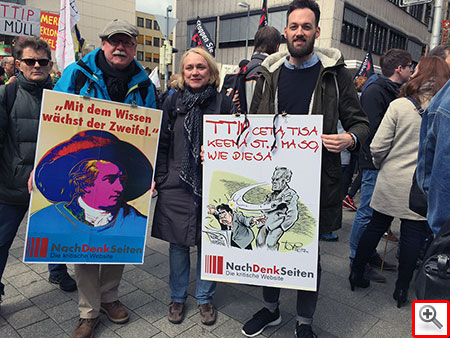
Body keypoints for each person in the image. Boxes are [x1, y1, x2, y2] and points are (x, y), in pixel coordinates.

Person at [242, 1, 369, 337]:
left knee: (306, 256)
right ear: (285, 31)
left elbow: (361, 124)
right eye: (294, 26)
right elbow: (252, 127)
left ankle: (304, 321)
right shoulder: (269, 74)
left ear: (316, 30)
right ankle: (270, 310)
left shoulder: (335, 75)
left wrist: (349, 140)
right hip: (272, 175)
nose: (300, 32)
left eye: (306, 26)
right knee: (268, 250)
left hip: (316, 181)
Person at [53, 19, 157, 338]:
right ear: (103, 44)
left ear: (134, 47)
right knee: (82, 242)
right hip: (87, 172)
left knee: (117, 238)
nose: (120, 47)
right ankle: (88, 311)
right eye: (114, 42)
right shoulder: (77, 73)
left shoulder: (145, 85)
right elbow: (54, 117)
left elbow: (149, 135)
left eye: (126, 42)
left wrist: (149, 173)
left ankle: (110, 297)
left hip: (119, 175)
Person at [350, 56, 450, 308]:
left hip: (391, 179)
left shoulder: (399, 106)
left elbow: (378, 145)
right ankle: (401, 290)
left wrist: (383, 162)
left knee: (375, 226)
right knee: (412, 238)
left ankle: (356, 273)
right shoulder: (443, 107)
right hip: (421, 186)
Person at [152, 47, 234, 327]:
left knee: (209, 242)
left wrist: (217, 154)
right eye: (189, 68)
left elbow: (234, 146)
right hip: (176, 183)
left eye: (201, 67)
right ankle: (177, 297)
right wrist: (161, 177)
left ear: (211, 73)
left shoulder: (223, 104)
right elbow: (161, 143)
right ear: (182, 72)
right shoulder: (172, 101)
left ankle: (204, 298)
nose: (195, 72)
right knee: (177, 244)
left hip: (212, 183)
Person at [0, 37, 76, 304]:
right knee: (1, 243)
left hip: (52, 183)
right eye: (30, 61)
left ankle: (57, 271)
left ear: (50, 64)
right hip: (12, 185)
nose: (36, 65)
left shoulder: (62, 97)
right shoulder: (6, 95)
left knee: (55, 231)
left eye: (42, 61)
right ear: (18, 64)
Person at [349, 48, 412, 282]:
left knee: (373, 213)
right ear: (399, 69)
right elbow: (373, 131)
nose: (412, 70)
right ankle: (357, 258)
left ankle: (368, 254)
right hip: (375, 161)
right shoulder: (376, 90)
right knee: (366, 212)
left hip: (382, 161)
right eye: (409, 67)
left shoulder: (389, 90)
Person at [28, 130, 152, 236]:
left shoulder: (137, 222)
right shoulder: (45, 219)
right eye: (110, 179)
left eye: (122, 179)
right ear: (84, 183)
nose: (120, 188)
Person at [256, 167, 299, 250]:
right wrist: (278, 202)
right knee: (260, 241)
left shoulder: (290, 195)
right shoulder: (272, 195)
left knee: (270, 243)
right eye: (273, 180)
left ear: (286, 179)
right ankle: (259, 260)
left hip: (277, 225)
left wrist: (282, 227)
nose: (274, 182)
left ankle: (272, 260)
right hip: (266, 223)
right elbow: (264, 208)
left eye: (277, 179)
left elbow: (293, 215)